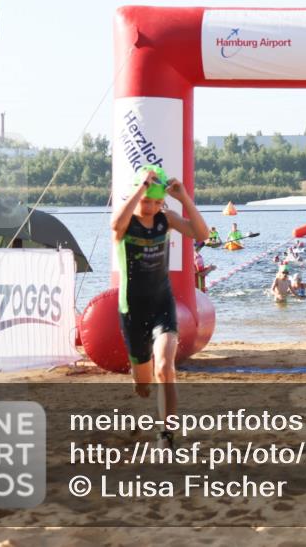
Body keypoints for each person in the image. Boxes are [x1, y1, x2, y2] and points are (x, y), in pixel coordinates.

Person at [111, 165, 209, 449]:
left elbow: (201, 233)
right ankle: (140, 383)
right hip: (132, 309)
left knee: (165, 367)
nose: (152, 207)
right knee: (143, 385)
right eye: (146, 200)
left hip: (161, 304)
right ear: (136, 195)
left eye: (156, 201)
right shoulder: (126, 224)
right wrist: (141, 187)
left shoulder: (166, 219)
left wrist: (184, 197)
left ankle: (166, 434)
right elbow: (115, 225)